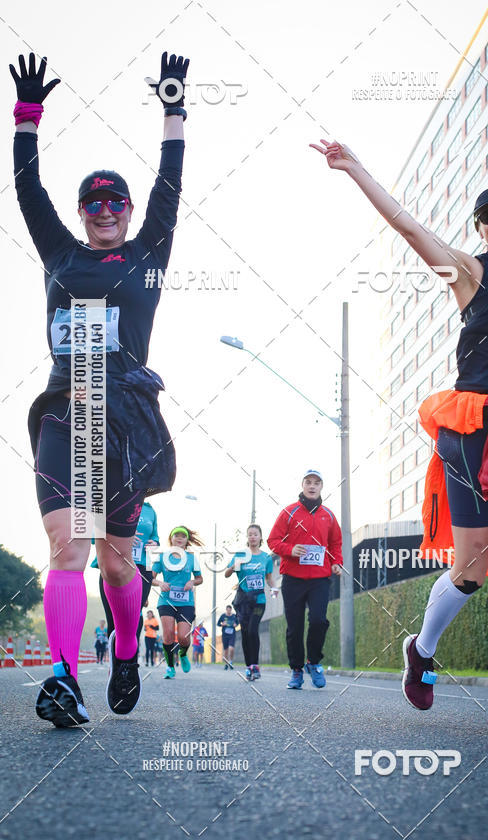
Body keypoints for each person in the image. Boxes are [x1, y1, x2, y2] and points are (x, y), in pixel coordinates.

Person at [310, 140, 488, 733]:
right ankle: (422, 648)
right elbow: (410, 228)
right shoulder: (469, 272)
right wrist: (356, 167)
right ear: (482, 231)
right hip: (474, 427)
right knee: (469, 566)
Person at [11, 50, 189, 727]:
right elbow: (29, 191)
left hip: (125, 420)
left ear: (128, 210)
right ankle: (62, 678)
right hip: (64, 408)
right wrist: (27, 120)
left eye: (117, 201)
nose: (106, 209)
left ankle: (121, 650)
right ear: (83, 212)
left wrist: (173, 112)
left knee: (117, 564)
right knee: (67, 547)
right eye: (95, 202)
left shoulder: (145, 255)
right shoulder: (59, 252)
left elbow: (171, 187)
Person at [267, 469, 343, 689]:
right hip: (293, 578)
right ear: (302, 485)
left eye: (316, 483)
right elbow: (273, 540)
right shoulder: (289, 512)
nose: (312, 486)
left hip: (320, 578)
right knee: (295, 627)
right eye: (308, 482)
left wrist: (337, 562)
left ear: (321, 487)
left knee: (319, 620)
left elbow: (335, 543)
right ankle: (297, 670)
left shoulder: (328, 514)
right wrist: (290, 549)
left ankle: (314, 662)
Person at [90, 500, 160, 647]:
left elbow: (155, 536)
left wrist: (154, 543)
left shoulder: (149, 510)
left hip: (142, 566)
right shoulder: (111, 500)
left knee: (132, 619)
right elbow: (92, 536)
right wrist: (122, 537)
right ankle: (115, 664)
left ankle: (129, 664)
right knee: (114, 619)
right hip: (113, 564)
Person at [226, 524, 278, 680]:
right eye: (250, 534)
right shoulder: (241, 555)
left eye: (255, 534)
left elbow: (269, 578)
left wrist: (274, 588)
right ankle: (249, 666)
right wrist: (235, 566)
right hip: (243, 602)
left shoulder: (266, 558)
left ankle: (255, 665)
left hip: (259, 600)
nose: (253, 537)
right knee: (245, 632)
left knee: (253, 630)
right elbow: (227, 574)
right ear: (247, 538)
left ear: (260, 537)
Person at [152, 527, 203, 679]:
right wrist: (160, 583)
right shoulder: (162, 557)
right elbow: (151, 577)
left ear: (187, 540)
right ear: (171, 538)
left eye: (183, 536)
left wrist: (192, 582)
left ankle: (182, 653)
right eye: (176, 536)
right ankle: (169, 667)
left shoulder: (192, 558)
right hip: (166, 600)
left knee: (183, 637)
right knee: (167, 635)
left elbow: (200, 579)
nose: (179, 538)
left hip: (186, 602)